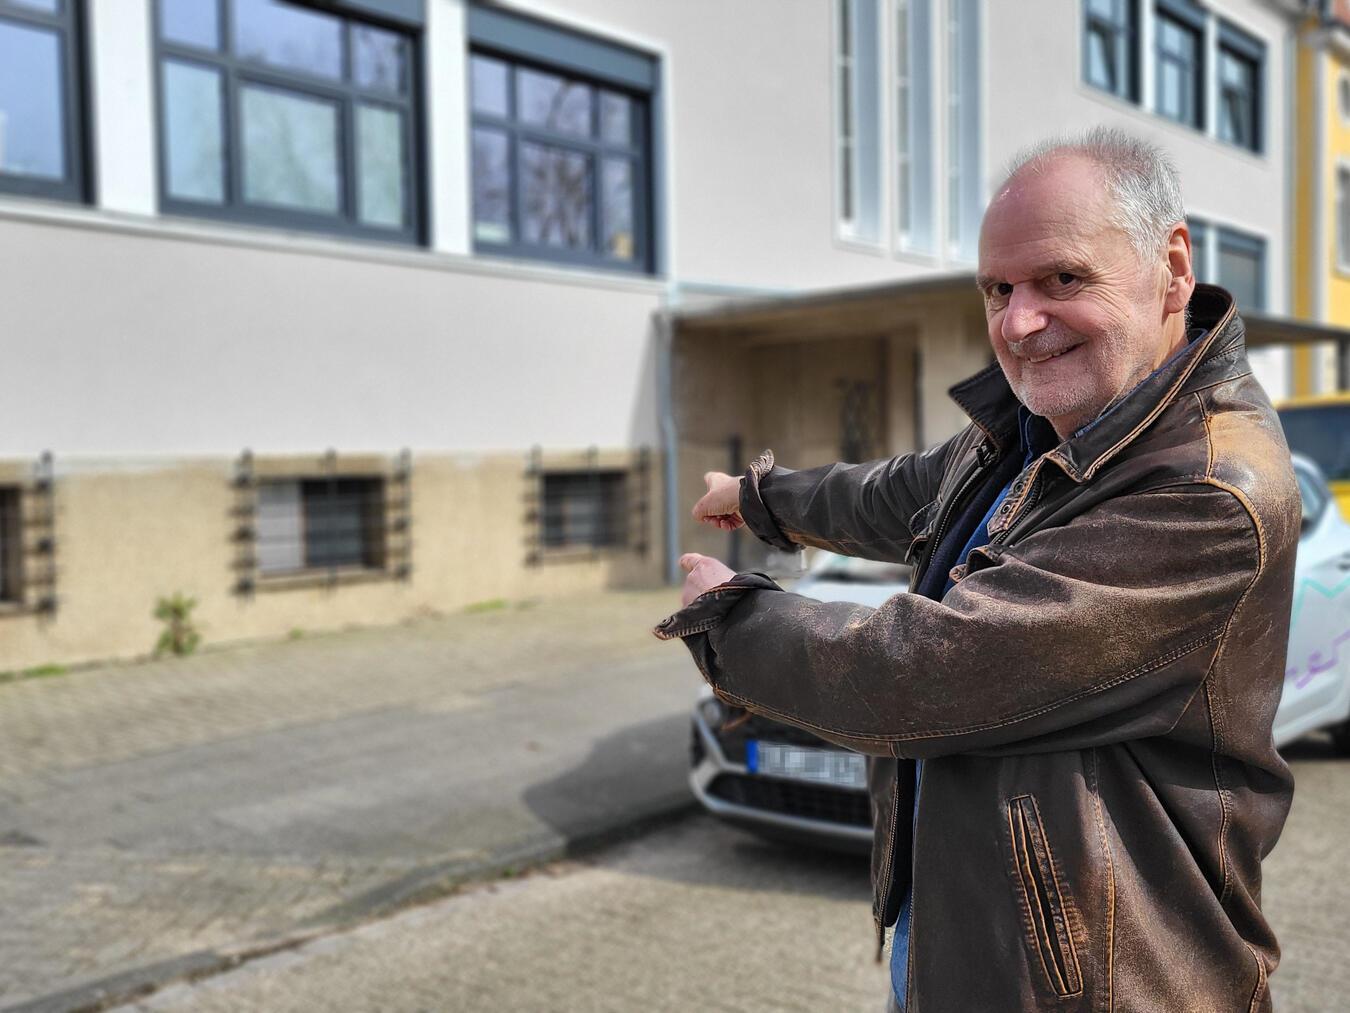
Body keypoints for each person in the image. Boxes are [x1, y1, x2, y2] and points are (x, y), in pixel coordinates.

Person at [653, 128, 1299, 1012]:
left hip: (1100, 981)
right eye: (998, 288)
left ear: (1173, 267)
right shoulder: (1054, 423)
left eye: (1062, 279)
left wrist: (727, 619)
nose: (1019, 322)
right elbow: (905, 493)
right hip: (971, 940)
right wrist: (764, 498)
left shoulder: (1210, 490)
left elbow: (926, 671)